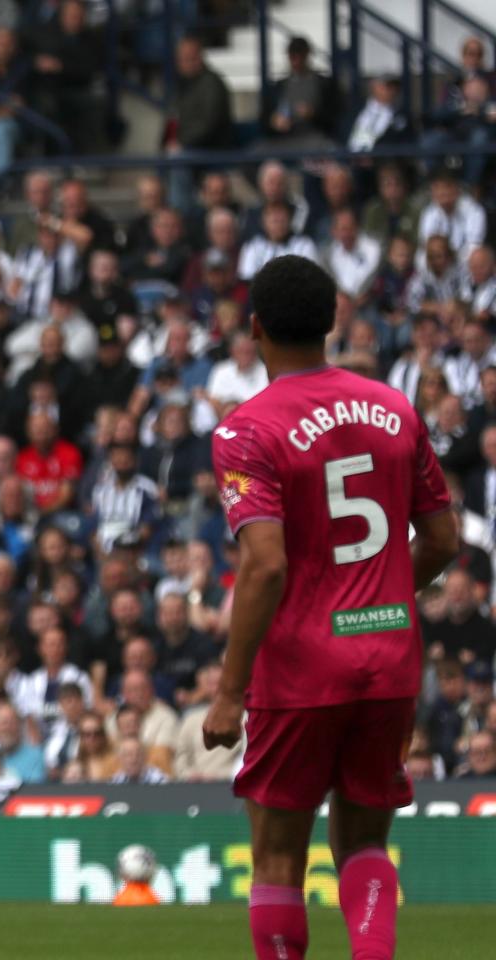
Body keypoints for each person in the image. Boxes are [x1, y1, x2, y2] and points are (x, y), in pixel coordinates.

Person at [203, 255, 458, 959]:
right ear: (334, 319)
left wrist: (228, 694)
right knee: (367, 844)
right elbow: (444, 537)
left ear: (253, 330)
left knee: (279, 857)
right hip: (388, 657)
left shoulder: (245, 430)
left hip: (300, 671)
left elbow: (266, 565)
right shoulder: (394, 407)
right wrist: (385, 598)